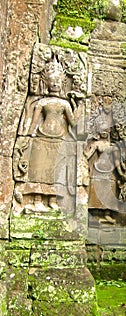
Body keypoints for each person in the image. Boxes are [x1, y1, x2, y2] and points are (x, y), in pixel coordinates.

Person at [20, 57, 76, 212]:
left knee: (55, 171)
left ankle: (53, 200)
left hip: (59, 139)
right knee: (38, 169)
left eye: (58, 81)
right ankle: (37, 199)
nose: (56, 84)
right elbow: (33, 122)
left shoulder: (65, 104)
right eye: (52, 81)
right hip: (41, 137)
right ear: (46, 82)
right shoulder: (41, 103)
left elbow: (73, 124)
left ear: (63, 83)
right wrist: (27, 137)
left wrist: (78, 105)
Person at [84, 129, 126, 224]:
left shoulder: (113, 147)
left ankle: (107, 214)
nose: (104, 132)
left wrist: (121, 173)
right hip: (98, 169)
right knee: (96, 191)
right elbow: (88, 155)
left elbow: (117, 163)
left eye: (106, 130)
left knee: (109, 191)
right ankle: (95, 214)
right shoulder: (96, 144)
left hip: (109, 171)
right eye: (102, 130)